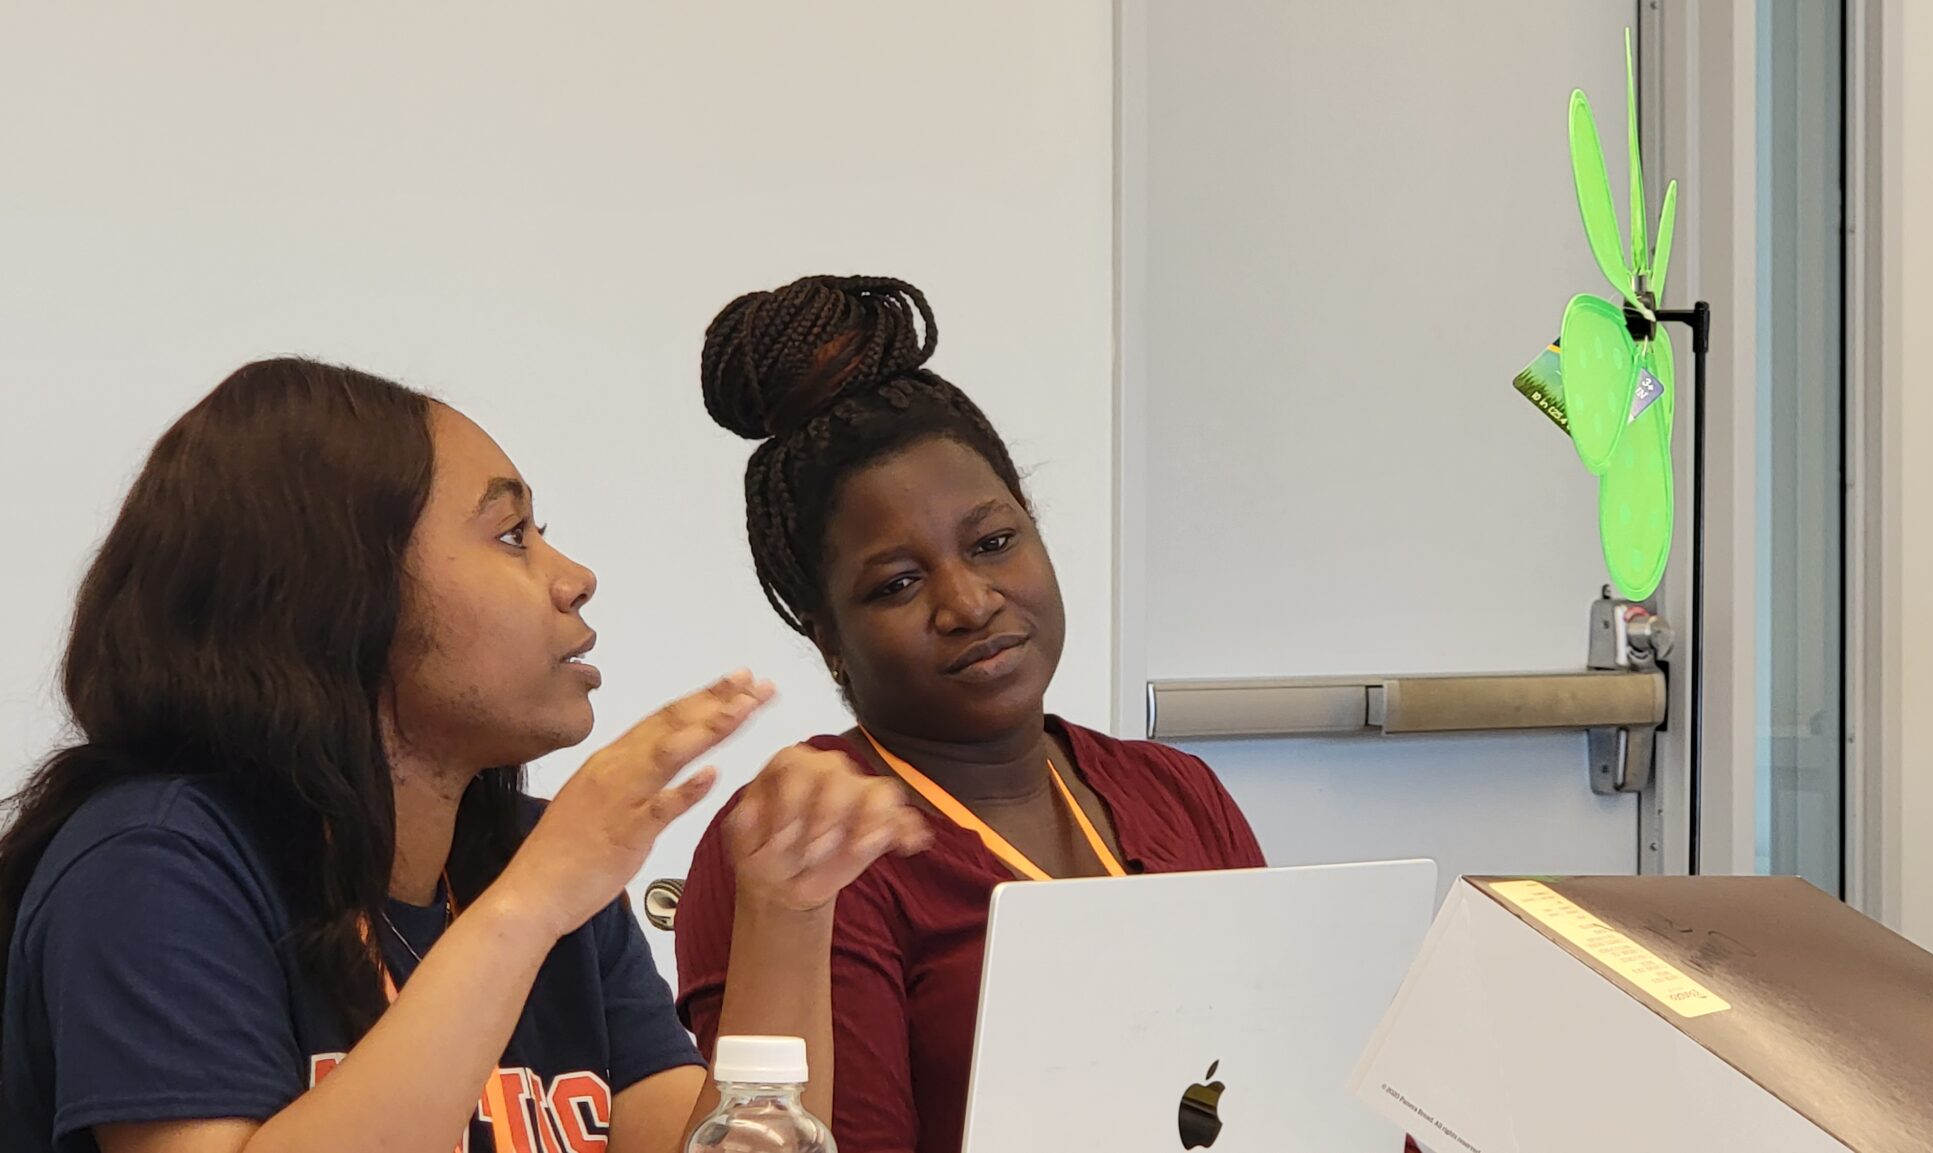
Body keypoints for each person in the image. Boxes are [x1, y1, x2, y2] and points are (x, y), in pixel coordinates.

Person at [0, 358, 928, 1153]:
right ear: (338, 598)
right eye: (512, 535)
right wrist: (534, 902)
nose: (574, 576)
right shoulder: (153, 861)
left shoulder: (525, 854)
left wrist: (786, 910)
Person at [672, 276, 1268, 1153]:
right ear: (826, 634)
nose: (969, 601)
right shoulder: (807, 840)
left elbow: (1295, 1070)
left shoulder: (1176, 789)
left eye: (994, 542)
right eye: (898, 584)